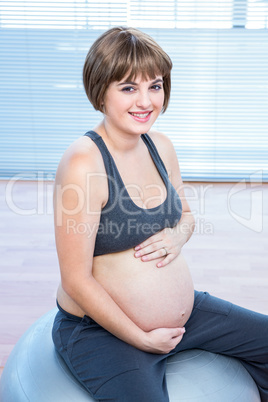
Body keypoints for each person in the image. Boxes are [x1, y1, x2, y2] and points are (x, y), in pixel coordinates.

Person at [52, 26, 268, 401]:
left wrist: (177, 235)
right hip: (101, 331)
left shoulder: (160, 146)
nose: (146, 101)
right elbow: (75, 280)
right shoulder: (84, 163)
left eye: (155, 85)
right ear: (100, 91)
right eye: (128, 87)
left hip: (186, 317)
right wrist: (142, 338)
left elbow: (185, 215)